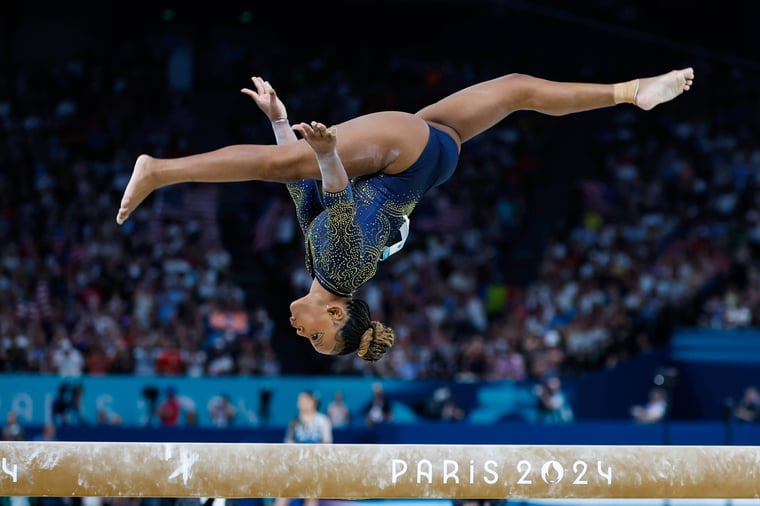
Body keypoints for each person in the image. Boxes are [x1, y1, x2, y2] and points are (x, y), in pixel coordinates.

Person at [116, 67, 695, 364]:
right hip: (404, 158)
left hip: (434, 159)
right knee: (276, 165)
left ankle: (630, 91)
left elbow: (304, 192)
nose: (300, 332)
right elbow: (330, 190)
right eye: (317, 337)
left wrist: (279, 118)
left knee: (518, 90)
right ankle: (161, 170)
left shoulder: (323, 265)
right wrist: (322, 153)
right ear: (337, 313)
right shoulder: (342, 271)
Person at [275, 390, 333, 506]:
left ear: (313, 401)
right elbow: (288, 443)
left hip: (315, 462)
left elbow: (327, 443)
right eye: (300, 400)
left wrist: (311, 452)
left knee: (311, 496)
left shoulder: (322, 420)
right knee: (283, 495)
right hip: (296, 463)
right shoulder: (294, 422)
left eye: (304, 400)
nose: (301, 403)